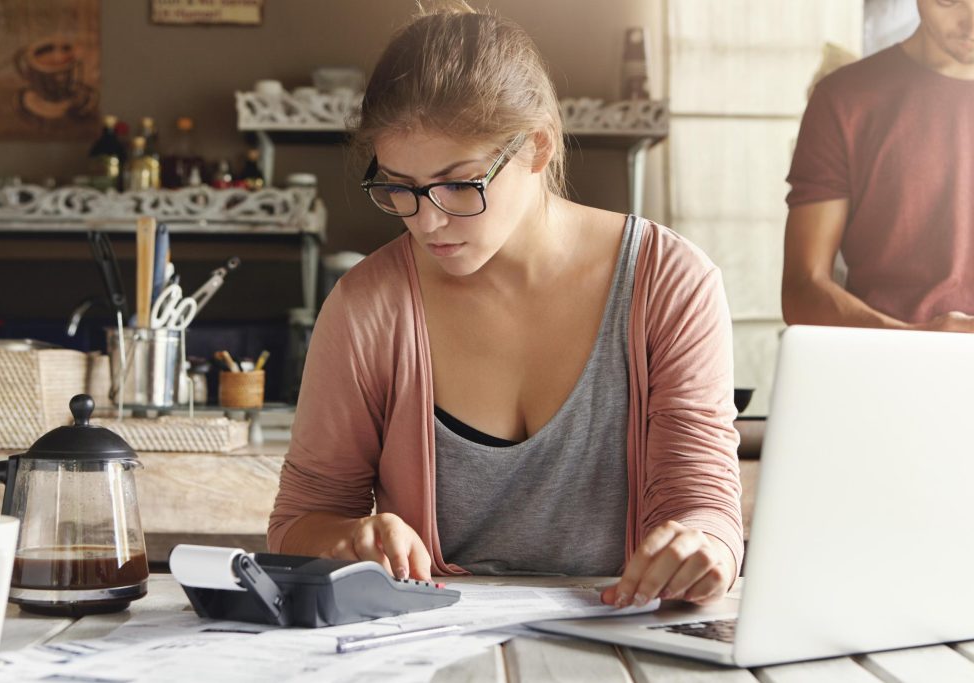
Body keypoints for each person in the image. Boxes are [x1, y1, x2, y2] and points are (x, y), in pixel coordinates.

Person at [269, 4, 742, 609]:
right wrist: (348, 538)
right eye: (399, 188)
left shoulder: (669, 282)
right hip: (424, 651)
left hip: (620, 639)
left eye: (459, 184)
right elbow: (298, 524)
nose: (428, 221)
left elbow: (705, 503)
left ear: (538, 147)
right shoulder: (366, 307)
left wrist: (704, 548)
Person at [782, 0, 974, 332]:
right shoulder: (844, 99)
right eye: (950, 0)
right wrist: (912, 337)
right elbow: (802, 290)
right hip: (883, 364)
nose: (972, 24)